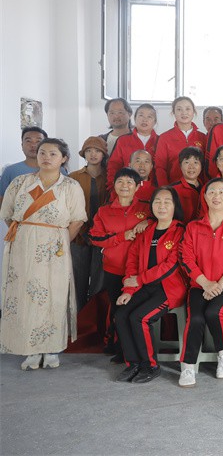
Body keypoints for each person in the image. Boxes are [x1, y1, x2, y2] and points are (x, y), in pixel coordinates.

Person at [1, 138, 86, 370]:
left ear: (64, 158)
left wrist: (59, 243)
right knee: (24, 296)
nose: (46, 157)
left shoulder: (70, 186)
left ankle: (52, 349)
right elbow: (8, 214)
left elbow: (77, 220)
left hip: (55, 248)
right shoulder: (20, 182)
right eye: (42, 153)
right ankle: (30, 349)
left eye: (53, 153)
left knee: (53, 296)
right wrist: (26, 234)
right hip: (22, 248)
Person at [114, 186, 187, 384]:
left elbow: (170, 266)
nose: (162, 206)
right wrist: (129, 290)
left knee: (140, 317)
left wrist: (139, 280)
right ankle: (133, 364)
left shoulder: (180, 231)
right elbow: (133, 259)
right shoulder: (147, 230)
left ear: (175, 206)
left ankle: (151, 366)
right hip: (144, 287)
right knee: (121, 315)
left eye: (167, 202)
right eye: (157, 202)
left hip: (168, 289)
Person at [178, 178, 223, 387]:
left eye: (222, 192)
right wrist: (205, 283)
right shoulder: (193, 227)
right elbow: (186, 258)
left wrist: (218, 285)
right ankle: (188, 366)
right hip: (199, 285)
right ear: (205, 197)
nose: (217, 196)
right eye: (212, 192)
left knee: (214, 312)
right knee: (196, 318)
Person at [88, 167, 151, 361]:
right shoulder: (104, 211)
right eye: (120, 181)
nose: (125, 186)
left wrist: (148, 221)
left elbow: (162, 222)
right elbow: (95, 238)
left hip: (141, 270)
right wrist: (122, 236)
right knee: (117, 308)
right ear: (114, 185)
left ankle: (138, 349)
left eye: (130, 182)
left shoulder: (146, 208)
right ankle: (118, 346)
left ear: (137, 186)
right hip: (114, 269)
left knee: (137, 309)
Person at [70, 136, 109, 310]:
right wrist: (80, 231)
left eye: (97, 151)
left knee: (99, 281)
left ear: (103, 154)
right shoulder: (73, 177)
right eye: (89, 151)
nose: (93, 154)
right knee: (78, 279)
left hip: (102, 237)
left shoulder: (110, 177)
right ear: (84, 154)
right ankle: (78, 317)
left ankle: (93, 317)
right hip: (78, 235)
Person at [154, 96, 207, 186]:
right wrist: (165, 189)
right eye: (179, 109)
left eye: (187, 109)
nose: (184, 112)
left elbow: (207, 166)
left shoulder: (202, 137)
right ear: (173, 112)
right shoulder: (164, 138)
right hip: (173, 188)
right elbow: (160, 168)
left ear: (193, 111)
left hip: (198, 188)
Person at [106, 103, 159, 194]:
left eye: (149, 117)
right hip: (126, 190)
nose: (144, 120)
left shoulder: (161, 141)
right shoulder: (123, 140)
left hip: (153, 191)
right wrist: (113, 188)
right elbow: (113, 166)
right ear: (134, 119)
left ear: (154, 122)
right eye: (141, 115)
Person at [0, 127, 47, 205]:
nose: (33, 145)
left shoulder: (59, 170)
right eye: (28, 141)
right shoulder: (10, 171)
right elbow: (2, 201)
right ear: (22, 145)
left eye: (38, 141)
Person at [168, 147, 204, 222]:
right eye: (187, 162)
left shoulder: (207, 188)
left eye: (195, 162)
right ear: (180, 166)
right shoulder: (171, 190)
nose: (191, 167)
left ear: (201, 166)